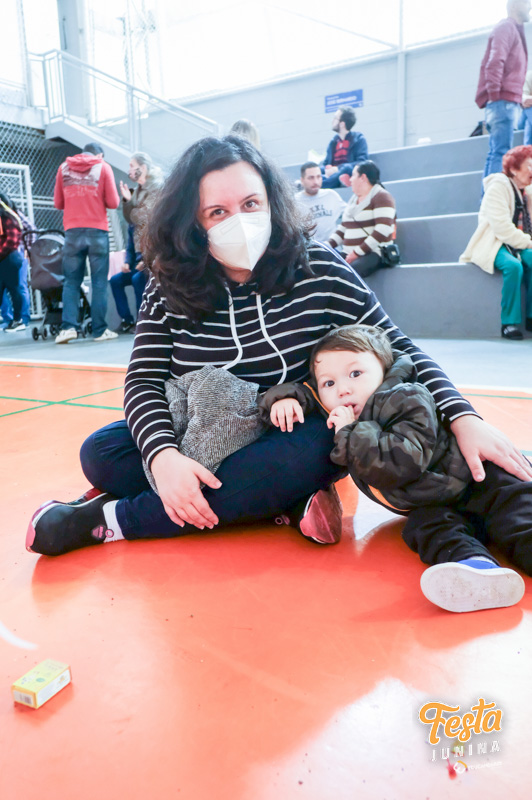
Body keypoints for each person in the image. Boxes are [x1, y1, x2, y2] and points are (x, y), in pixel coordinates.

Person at [26, 135, 532, 559]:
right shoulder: (167, 285)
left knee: (314, 453)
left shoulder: (319, 266)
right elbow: (144, 380)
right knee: (101, 454)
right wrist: (162, 458)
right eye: (217, 212)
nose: (239, 220)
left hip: (294, 431)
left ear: (271, 201)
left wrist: (463, 416)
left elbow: (396, 345)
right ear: (192, 223)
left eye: (250, 204)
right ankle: (282, 503)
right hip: (205, 427)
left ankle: (111, 520)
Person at [260, 324, 530, 613]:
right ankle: (476, 570)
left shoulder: (406, 397)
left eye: (355, 374)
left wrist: (349, 432)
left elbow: (403, 462)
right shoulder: (348, 408)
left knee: (516, 516)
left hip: (482, 480)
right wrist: (285, 398)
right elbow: (309, 393)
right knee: (426, 529)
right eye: (329, 383)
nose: (343, 389)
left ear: (384, 370)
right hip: (433, 500)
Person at [460, 144, 532, 340]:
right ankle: (509, 323)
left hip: (518, 241)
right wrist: (528, 243)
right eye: (529, 165)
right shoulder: (498, 186)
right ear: (514, 169)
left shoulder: (527, 191)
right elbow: (501, 228)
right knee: (513, 266)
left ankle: (531, 317)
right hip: (494, 241)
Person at [53, 142, 120, 344]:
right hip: (97, 231)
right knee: (99, 282)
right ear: (99, 155)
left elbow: (58, 203)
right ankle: (99, 331)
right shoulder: (103, 167)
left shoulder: (63, 168)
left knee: (71, 282)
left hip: (72, 232)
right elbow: (114, 203)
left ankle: (68, 328)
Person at [475, 0, 530, 180]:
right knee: (500, 152)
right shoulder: (506, 28)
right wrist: (495, 96)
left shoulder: (514, 30)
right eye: (525, 3)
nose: (530, 6)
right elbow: (495, 62)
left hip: (507, 101)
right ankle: (494, 195)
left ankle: (490, 195)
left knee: (497, 152)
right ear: (514, 6)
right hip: (502, 101)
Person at [114, 152, 163, 332]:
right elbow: (131, 232)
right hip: (137, 258)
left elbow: (157, 231)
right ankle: (127, 320)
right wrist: (127, 261)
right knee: (116, 281)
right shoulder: (137, 195)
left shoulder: (156, 189)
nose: (129, 170)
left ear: (142, 167)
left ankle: (143, 322)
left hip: (153, 257)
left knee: (137, 279)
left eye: (131, 165)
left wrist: (146, 259)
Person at [328, 160, 397, 279]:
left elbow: (383, 229)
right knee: (325, 271)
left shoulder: (382, 196)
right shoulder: (353, 200)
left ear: (363, 178)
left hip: (373, 252)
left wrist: (357, 252)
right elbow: (343, 229)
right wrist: (327, 246)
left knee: (347, 275)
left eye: (353, 175)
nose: (350, 179)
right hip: (349, 252)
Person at [294, 162, 346, 242]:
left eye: (318, 177)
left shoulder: (331, 195)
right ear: (302, 180)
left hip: (333, 246)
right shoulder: (295, 201)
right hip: (310, 247)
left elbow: (349, 215)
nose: (316, 181)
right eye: (311, 178)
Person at [321, 106, 369, 189]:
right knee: (316, 169)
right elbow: (325, 163)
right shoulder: (333, 142)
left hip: (350, 173)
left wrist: (337, 168)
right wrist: (327, 169)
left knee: (346, 168)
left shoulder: (358, 139)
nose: (332, 121)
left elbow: (362, 163)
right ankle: (340, 181)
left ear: (342, 124)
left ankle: (322, 185)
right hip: (333, 175)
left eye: (335, 118)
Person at [0, 193, 26, 332]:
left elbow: (11, 241)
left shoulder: (7, 217)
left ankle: (18, 320)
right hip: (5, 257)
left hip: (9, 257)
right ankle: (15, 320)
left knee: (14, 289)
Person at [520, 69, 532, 144]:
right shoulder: (529, 75)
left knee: (529, 122)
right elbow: (524, 100)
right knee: (530, 108)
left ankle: (527, 147)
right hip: (523, 119)